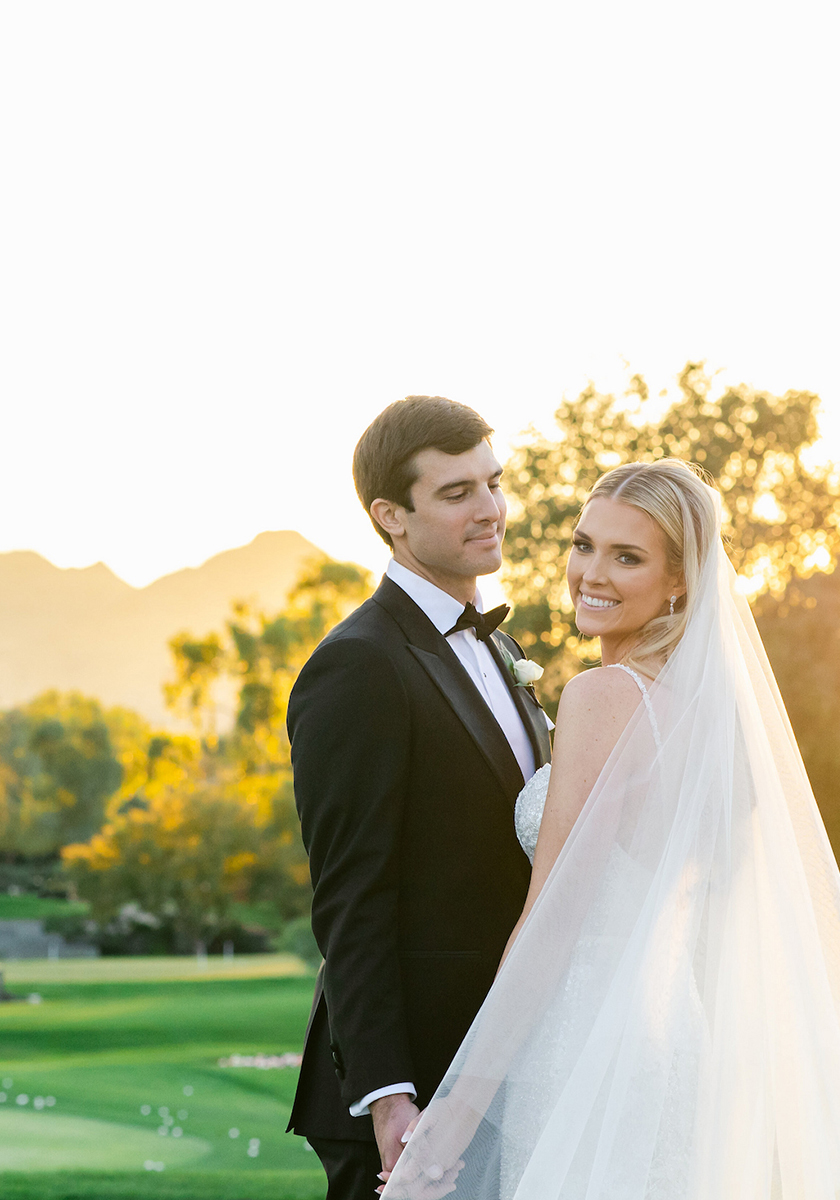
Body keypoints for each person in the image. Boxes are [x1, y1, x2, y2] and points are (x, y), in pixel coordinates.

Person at [382, 460, 840, 1199]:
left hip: (583, 1047)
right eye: (584, 545)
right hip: (672, 1040)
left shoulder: (602, 697)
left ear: (680, 579)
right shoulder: (707, 715)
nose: (592, 573)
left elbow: (553, 918)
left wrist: (460, 1111)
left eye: (628, 557)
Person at [286, 396, 553, 1200]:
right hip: (416, 1091)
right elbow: (351, 897)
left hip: (508, 1069)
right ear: (390, 517)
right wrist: (388, 1094)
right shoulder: (359, 665)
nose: (491, 509)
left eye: (493, 483)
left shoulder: (503, 648)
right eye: (457, 492)